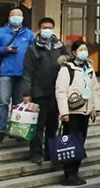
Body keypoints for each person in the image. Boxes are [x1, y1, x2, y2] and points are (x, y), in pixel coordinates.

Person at [20, 17, 67, 165]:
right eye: (44, 28)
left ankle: (50, 153)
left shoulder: (59, 46)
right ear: (39, 29)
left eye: (50, 28)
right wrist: (27, 93)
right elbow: (27, 72)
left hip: (55, 92)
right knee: (38, 125)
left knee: (52, 125)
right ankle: (36, 153)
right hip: (39, 92)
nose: (47, 30)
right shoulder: (33, 48)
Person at [55, 40, 100, 186]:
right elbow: (60, 91)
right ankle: (68, 173)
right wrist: (64, 112)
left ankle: (75, 171)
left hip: (85, 110)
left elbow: (94, 89)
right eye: (81, 49)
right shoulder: (67, 69)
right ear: (74, 52)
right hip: (72, 111)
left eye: (85, 49)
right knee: (71, 143)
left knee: (80, 142)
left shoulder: (89, 68)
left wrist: (95, 107)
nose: (84, 52)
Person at [0, 7, 36, 142]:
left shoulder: (28, 33)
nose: (16, 17)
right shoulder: (1, 32)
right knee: (3, 102)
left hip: (22, 73)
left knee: (18, 104)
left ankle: (16, 129)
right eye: (13, 14)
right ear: (9, 17)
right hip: (6, 72)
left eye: (19, 15)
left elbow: (34, 51)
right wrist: (5, 49)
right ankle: (0, 130)